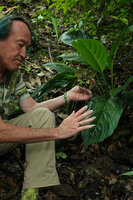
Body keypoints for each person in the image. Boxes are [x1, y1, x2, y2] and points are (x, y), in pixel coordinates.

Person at [0, 15, 95, 200]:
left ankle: (32, 189)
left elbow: (32, 109)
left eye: (27, 48)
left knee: (42, 115)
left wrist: (68, 96)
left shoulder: (12, 74)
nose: (24, 55)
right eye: (19, 45)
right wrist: (58, 132)